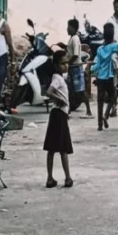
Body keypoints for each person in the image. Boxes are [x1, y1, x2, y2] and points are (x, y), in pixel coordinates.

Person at [91, 23, 118, 131]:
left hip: (100, 78)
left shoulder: (100, 49)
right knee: (113, 96)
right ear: (112, 35)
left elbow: (97, 65)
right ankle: (106, 115)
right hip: (109, 77)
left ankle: (100, 125)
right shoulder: (113, 46)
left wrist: (91, 70)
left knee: (100, 101)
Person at [43, 49, 74, 188]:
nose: (66, 66)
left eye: (67, 63)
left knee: (52, 148)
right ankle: (67, 177)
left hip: (58, 114)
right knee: (63, 148)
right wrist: (60, 100)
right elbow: (49, 92)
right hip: (59, 114)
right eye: (62, 63)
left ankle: (50, 178)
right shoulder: (57, 78)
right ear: (56, 65)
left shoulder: (60, 77)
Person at [65, 19, 90, 117]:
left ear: (74, 28)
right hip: (72, 68)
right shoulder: (72, 38)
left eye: (69, 27)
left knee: (81, 91)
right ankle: (68, 110)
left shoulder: (75, 39)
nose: (67, 29)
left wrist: (68, 63)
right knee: (70, 90)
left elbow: (75, 55)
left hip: (76, 67)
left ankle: (88, 109)